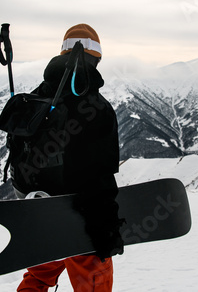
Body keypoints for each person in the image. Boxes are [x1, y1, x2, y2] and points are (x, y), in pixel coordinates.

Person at [16, 24, 124, 291]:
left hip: (40, 213)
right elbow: (98, 174)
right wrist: (105, 229)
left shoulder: (38, 98)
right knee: (93, 284)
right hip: (82, 223)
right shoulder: (96, 107)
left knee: (39, 277)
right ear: (96, 58)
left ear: (62, 54)